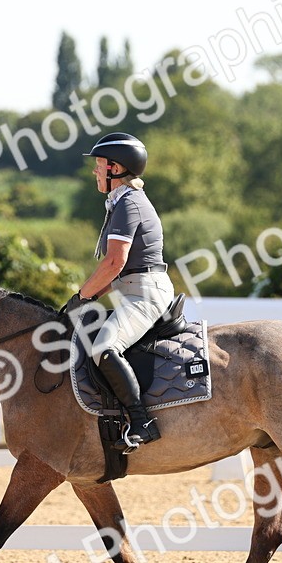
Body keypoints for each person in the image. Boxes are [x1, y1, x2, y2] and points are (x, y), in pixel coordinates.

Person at [66, 132, 174, 452]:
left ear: (115, 168)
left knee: (104, 347)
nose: (95, 171)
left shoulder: (129, 204)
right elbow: (118, 270)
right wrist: (90, 297)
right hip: (133, 291)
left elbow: (115, 262)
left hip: (145, 295)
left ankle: (141, 422)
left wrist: (82, 297)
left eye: (99, 165)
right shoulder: (121, 202)